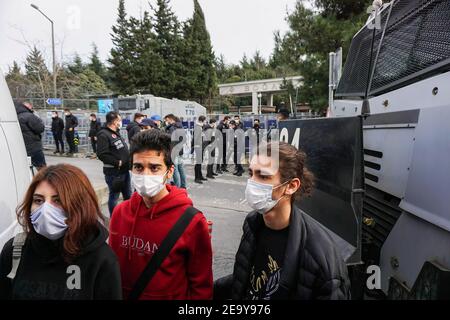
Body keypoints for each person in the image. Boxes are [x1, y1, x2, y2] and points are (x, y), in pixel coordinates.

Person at [214, 142, 351, 300]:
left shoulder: (320, 256)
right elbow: (247, 277)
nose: (252, 183)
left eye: (263, 176)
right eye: (251, 173)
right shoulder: (253, 223)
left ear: (291, 186)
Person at [109, 129, 213, 300]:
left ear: (170, 171)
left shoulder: (192, 221)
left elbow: (201, 285)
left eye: (154, 168)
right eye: (138, 167)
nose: (145, 175)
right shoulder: (120, 213)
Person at [0, 164, 122, 300]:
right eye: (38, 200)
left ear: (79, 205)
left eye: (58, 200)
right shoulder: (14, 250)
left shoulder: (101, 260)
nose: (45, 209)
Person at [96, 111, 131, 216]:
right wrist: (117, 162)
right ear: (115, 121)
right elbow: (102, 154)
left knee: (128, 195)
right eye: (119, 120)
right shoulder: (103, 134)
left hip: (124, 171)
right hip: (114, 172)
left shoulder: (116, 132)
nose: (120, 122)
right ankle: (114, 218)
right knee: (114, 196)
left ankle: (128, 216)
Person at [15, 101, 46, 169]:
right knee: (42, 169)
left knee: (25, 168)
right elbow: (40, 128)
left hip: (21, 147)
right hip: (34, 147)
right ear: (27, 106)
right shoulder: (29, 116)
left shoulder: (16, 117)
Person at [164, 114, 187, 189]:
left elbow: (169, 139)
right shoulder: (180, 126)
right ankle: (183, 186)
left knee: (175, 170)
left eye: (166, 120)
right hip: (180, 150)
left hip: (174, 150)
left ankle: (177, 188)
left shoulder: (172, 128)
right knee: (181, 168)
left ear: (170, 119)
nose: (166, 122)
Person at [193, 116, 208, 184]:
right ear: (202, 121)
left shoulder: (200, 127)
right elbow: (196, 138)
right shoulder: (197, 127)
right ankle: (197, 178)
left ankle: (200, 175)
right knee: (198, 163)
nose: (206, 122)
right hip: (198, 147)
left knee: (200, 162)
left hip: (201, 146)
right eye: (205, 120)